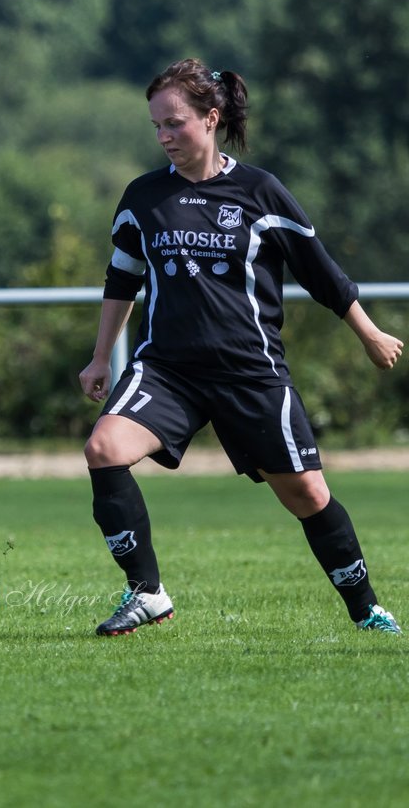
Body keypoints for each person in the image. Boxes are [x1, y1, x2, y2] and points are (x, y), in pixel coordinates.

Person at [78, 57, 402, 636]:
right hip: (167, 370)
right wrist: (102, 356)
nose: (164, 136)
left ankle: (366, 610)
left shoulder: (260, 191)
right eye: (156, 126)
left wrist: (369, 332)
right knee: (104, 447)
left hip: (250, 373)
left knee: (307, 494)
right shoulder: (143, 198)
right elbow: (121, 279)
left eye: (174, 123)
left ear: (211, 117)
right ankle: (146, 592)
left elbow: (320, 273)